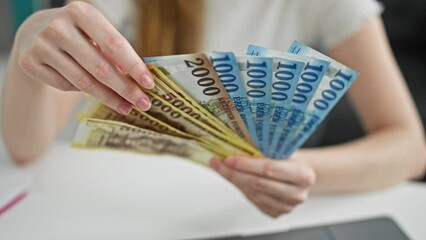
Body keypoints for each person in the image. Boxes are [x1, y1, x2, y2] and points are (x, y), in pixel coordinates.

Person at [1, 0, 425, 218]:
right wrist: (26, 54)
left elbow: (409, 147)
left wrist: (294, 173)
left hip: (227, 213)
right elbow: (26, 147)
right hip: (115, 202)